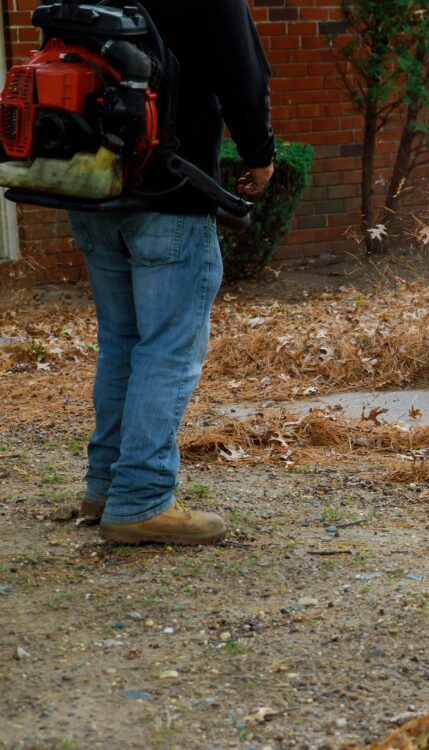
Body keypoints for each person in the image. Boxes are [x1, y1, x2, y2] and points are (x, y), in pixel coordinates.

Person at [69, 0, 275, 546]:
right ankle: (140, 500)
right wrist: (260, 152)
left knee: (122, 340)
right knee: (167, 347)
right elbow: (242, 72)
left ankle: (105, 487)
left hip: (89, 181)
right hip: (169, 184)